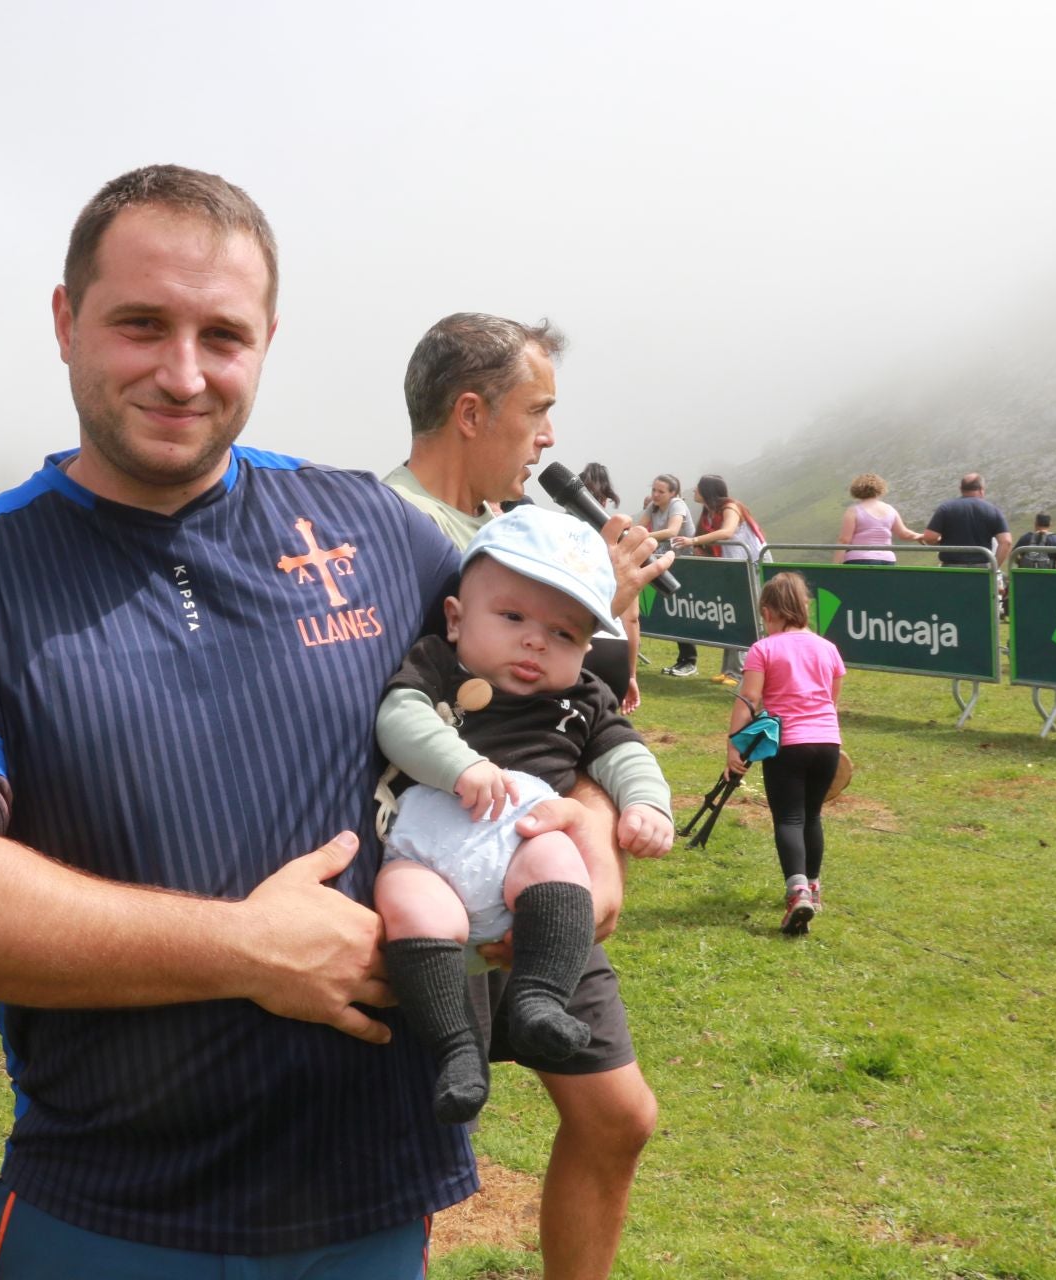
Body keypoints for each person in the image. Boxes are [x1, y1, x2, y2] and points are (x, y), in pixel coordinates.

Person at [0, 167, 661, 1276]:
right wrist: (243, 949)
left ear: (268, 340)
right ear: (66, 321)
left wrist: (594, 823)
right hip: (112, 1212)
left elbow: (563, 690)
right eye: (140, 323)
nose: (183, 373)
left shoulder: (377, 530)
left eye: (223, 334)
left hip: (374, 1197)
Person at [385, 310, 668, 1280]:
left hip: (540, 851)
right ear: (472, 410)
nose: (551, 438)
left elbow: (576, 706)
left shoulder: (516, 532)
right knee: (414, 1148)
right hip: (433, 860)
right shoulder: (390, 536)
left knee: (620, 1112)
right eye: (536, 411)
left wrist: (593, 818)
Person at [375, 507, 672, 1125]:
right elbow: (397, 718)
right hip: (429, 856)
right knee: (403, 899)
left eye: (564, 634)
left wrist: (646, 805)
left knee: (558, 855)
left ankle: (540, 996)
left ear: (588, 646)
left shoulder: (583, 697)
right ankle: (457, 1049)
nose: (536, 641)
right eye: (512, 617)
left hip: (524, 852)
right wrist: (457, 764)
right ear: (456, 619)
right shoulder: (436, 665)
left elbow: (626, 756)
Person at [726, 572, 844, 936]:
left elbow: (750, 699)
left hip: (787, 743)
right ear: (804, 607)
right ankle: (813, 885)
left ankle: (797, 893)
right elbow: (832, 698)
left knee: (788, 818)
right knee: (812, 816)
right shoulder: (828, 648)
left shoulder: (764, 648)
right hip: (828, 743)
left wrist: (734, 743)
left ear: (768, 611)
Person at [670, 475, 764, 686]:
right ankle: (729, 671)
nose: (694, 490)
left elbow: (728, 531)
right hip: (731, 565)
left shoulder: (731, 507)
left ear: (707, 491)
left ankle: (742, 672)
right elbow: (702, 544)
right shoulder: (707, 514)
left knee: (747, 616)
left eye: (698, 487)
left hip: (751, 563)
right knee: (734, 616)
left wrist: (693, 540)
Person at [578, 463, 642, 710]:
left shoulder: (560, 536)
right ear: (605, 501)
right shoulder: (622, 544)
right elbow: (632, 618)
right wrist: (631, 675)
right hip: (613, 647)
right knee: (603, 729)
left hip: (575, 643)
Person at [640, 475, 698, 678]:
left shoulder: (677, 505)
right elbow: (641, 525)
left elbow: (672, 531)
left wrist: (641, 536)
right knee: (673, 610)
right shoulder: (653, 506)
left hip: (686, 564)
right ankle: (683, 661)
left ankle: (689, 661)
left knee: (682, 610)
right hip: (666, 563)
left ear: (673, 493)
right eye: (653, 490)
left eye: (660, 491)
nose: (655, 495)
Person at [921, 473, 1010, 568]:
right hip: (982, 569)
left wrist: (940, 542)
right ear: (981, 490)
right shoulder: (993, 510)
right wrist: (994, 568)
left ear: (961, 489)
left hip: (952, 569)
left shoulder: (946, 508)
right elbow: (1006, 542)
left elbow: (929, 538)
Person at [833, 473, 925, 564]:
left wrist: (836, 565)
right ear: (880, 489)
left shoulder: (853, 511)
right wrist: (919, 536)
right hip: (887, 559)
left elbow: (844, 539)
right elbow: (903, 534)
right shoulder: (890, 510)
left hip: (859, 558)